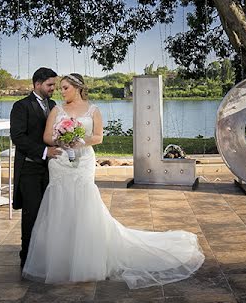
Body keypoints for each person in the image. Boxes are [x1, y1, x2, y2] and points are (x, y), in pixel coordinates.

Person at [22, 73, 205, 288]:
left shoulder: (93, 110)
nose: (61, 92)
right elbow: (46, 137)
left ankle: (86, 260)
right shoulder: (56, 110)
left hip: (83, 162)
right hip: (60, 162)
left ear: (78, 88)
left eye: (65, 88)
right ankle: (61, 261)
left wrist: (78, 140)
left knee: (84, 204)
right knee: (60, 205)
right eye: (60, 88)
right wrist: (61, 139)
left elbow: (99, 137)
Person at [10, 67, 62, 268]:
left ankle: (44, 256)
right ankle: (27, 259)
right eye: (50, 85)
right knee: (31, 214)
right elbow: (18, 137)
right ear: (37, 84)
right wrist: (44, 151)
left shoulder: (54, 105)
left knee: (49, 214)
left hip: (51, 169)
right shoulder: (21, 106)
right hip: (30, 169)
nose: (53, 89)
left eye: (54, 85)